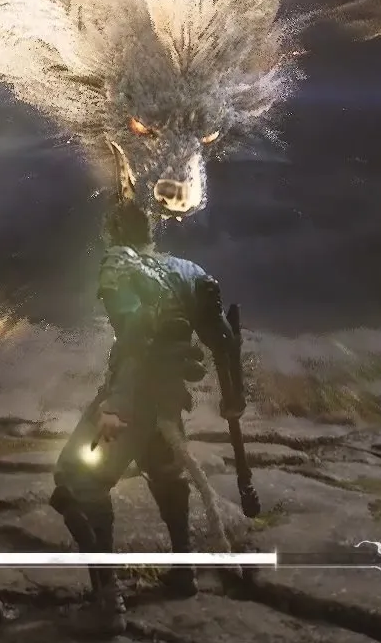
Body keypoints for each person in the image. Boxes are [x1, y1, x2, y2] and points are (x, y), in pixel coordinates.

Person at [48, 197, 245, 637]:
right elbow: (223, 339)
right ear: (150, 231)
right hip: (167, 400)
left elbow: (137, 332)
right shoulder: (188, 271)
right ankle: (184, 570)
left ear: (113, 232)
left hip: (135, 396)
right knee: (164, 471)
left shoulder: (119, 264)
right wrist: (234, 397)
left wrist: (117, 404)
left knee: (76, 480)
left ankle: (108, 600)